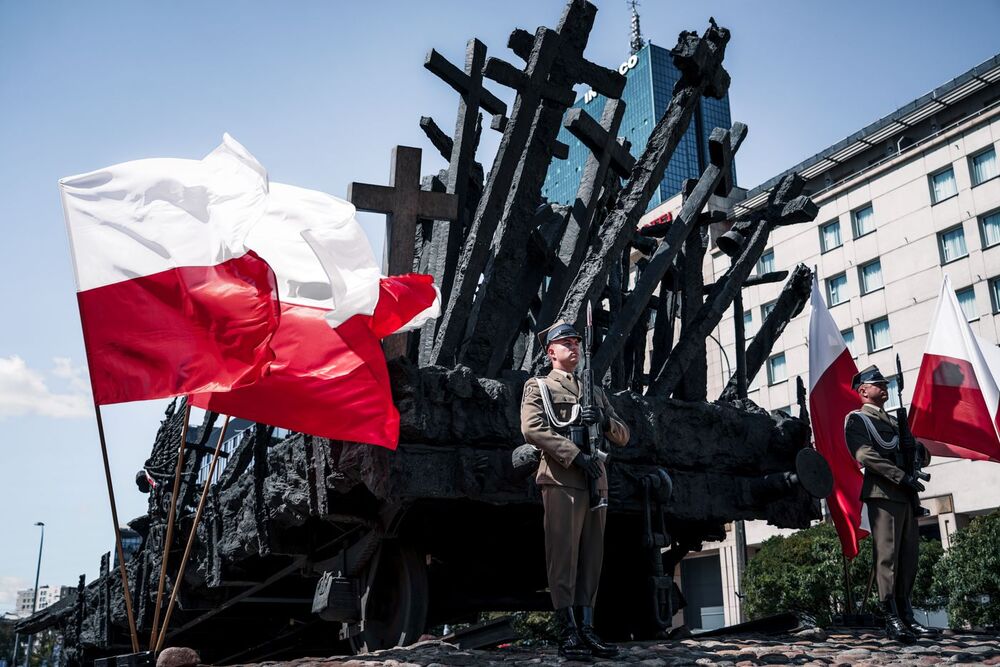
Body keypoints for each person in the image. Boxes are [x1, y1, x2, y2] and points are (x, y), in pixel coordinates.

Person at [520, 320, 630, 659]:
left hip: (595, 479)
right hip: (562, 478)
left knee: (592, 557)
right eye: (566, 343)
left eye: (577, 343)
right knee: (563, 556)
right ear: (551, 352)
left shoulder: (593, 390)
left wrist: (604, 421)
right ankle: (568, 632)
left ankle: (586, 628)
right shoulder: (538, 386)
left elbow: (624, 435)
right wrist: (575, 456)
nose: (574, 348)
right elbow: (533, 429)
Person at [844, 365, 936, 642]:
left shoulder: (895, 423)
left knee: (909, 556)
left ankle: (906, 613)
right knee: (888, 556)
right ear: (863, 390)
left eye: (885, 385)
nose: (884, 388)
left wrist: (915, 449)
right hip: (883, 493)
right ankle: (891, 616)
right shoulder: (857, 420)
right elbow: (865, 455)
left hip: (906, 496)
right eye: (878, 385)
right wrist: (900, 476)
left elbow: (924, 456)